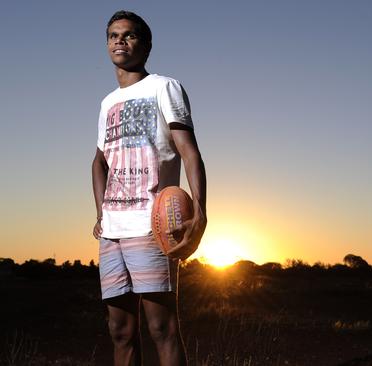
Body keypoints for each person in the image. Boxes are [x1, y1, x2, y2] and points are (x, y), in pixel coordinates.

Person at [91, 10, 207, 366]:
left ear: (147, 44)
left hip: (152, 225)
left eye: (129, 35)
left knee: (162, 328)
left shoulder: (164, 86)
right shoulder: (107, 102)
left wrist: (200, 212)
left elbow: (189, 151)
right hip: (111, 232)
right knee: (120, 331)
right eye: (113, 35)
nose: (119, 41)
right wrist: (100, 212)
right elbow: (99, 161)